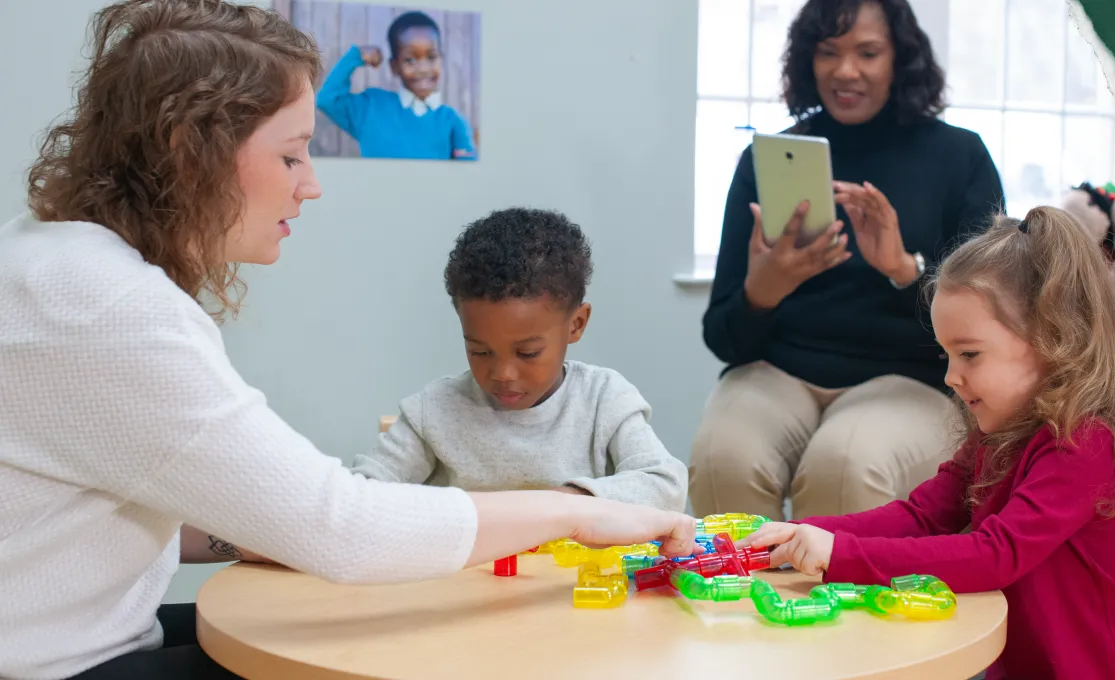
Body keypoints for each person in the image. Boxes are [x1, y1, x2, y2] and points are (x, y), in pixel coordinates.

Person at [0, 3, 695, 678]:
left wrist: (263, 529)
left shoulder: (51, 259)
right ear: (193, 152)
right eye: (293, 156)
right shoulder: (113, 308)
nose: (312, 186)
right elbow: (347, 527)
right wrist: (575, 514)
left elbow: (100, 519)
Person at [747, 207, 1115, 679]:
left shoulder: (1088, 440)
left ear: (1054, 338)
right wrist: (803, 534)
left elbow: (996, 554)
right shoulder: (1002, 432)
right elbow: (921, 516)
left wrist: (839, 553)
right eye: (948, 355)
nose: (952, 376)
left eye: (969, 354)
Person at [694, 0, 1003, 521]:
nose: (845, 71)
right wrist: (763, 290)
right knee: (723, 457)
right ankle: (732, 605)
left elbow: (989, 325)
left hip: (910, 378)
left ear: (900, 59)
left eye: (868, 53)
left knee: (844, 465)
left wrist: (903, 270)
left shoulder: (960, 158)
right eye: (828, 52)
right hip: (777, 372)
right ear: (806, 61)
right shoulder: (765, 162)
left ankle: (834, 605)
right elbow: (723, 338)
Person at [346, 208, 687, 512]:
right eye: (479, 351)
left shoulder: (603, 400)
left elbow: (665, 485)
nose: (502, 373)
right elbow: (361, 495)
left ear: (576, 324)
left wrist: (563, 503)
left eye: (528, 353)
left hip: (568, 583)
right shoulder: (434, 412)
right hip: (466, 582)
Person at [315, 10, 475, 160]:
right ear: (394, 67)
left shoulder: (453, 122)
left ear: (442, 60)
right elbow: (327, 100)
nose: (424, 69)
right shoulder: (370, 107)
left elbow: (468, 176)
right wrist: (355, 56)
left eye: (431, 57)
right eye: (410, 60)